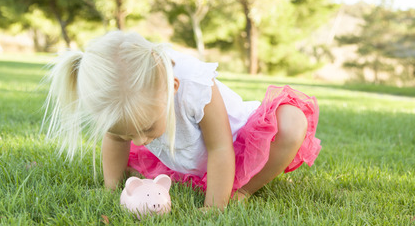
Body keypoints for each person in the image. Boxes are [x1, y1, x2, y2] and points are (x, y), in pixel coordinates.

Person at [43, 31, 321, 211]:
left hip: (235, 147)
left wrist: (215, 206)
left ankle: (242, 190)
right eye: (130, 136)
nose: (140, 142)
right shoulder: (129, 106)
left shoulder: (194, 86)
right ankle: (193, 176)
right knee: (133, 134)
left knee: (292, 122)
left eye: (147, 128)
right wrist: (110, 188)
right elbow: (115, 137)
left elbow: (220, 148)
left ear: (171, 88)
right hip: (186, 157)